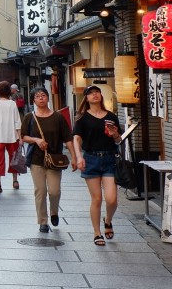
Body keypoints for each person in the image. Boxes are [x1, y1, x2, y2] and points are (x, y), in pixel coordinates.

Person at [21, 86, 77, 233]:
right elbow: (23, 137)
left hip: (54, 159)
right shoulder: (29, 117)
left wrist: (74, 157)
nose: (41, 98)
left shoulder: (58, 117)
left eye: (43, 95)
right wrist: (36, 140)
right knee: (40, 191)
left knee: (54, 191)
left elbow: (68, 138)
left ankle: (54, 212)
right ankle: (43, 221)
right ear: (33, 100)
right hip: (36, 159)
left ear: (48, 98)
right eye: (37, 96)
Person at [72, 85, 122, 246]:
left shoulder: (111, 116)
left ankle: (108, 220)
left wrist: (114, 134)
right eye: (91, 93)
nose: (95, 95)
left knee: (112, 199)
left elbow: (119, 140)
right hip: (91, 159)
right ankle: (97, 232)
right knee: (97, 198)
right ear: (86, 98)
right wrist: (79, 157)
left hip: (109, 158)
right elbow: (76, 139)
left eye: (97, 92)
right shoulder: (82, 118)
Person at [0, 81, 21, 194]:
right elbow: (17, 122)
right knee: (14, 158)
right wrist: (20, 137)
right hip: (12, 135)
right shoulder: (12, 103)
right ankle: (15, 181)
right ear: (8, 91)